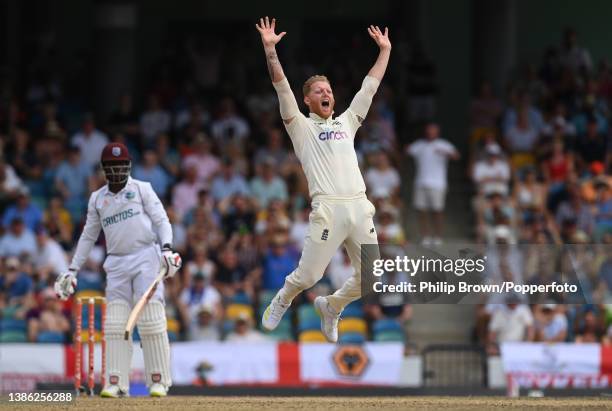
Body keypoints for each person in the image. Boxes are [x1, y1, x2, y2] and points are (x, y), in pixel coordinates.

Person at [255, 17, 389, 342]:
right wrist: (270, 49)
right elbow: (281, 85)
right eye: (319, 90)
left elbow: (369, 87)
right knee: (310, 275)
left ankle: (332, 306)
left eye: (328, 89)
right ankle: (284, 297)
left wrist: (385, 50)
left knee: (372, 278)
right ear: (308, 100)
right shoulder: (300, 127)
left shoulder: (348, 122)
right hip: (328, 208)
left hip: (359, 207)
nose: (326, 92)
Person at [53, 143, 182, 398]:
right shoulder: (97, 198)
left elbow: (162, 220)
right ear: (103, 169)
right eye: (111, 167)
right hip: (117, 263)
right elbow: (88, 236)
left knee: (151, 320)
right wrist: (72, 269)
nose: (116, 171)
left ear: (129, 166)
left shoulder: (142, 189)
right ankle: (115, 382)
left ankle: (158, 381)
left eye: (120, 166)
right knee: (114, 324)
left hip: (146, 257)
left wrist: (167, 250)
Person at [407, 122, 460, 245]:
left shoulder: (444, 144)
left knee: (438, 211)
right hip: (420, 182)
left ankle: (438, 236)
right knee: (421, 210)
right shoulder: (419, 145)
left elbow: (456, 156)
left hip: (438, 183)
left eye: (433, 130)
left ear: (437, 132)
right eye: (429, 130)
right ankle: (425, 236)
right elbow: (407, 151)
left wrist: (447, 153)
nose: (431, 133)